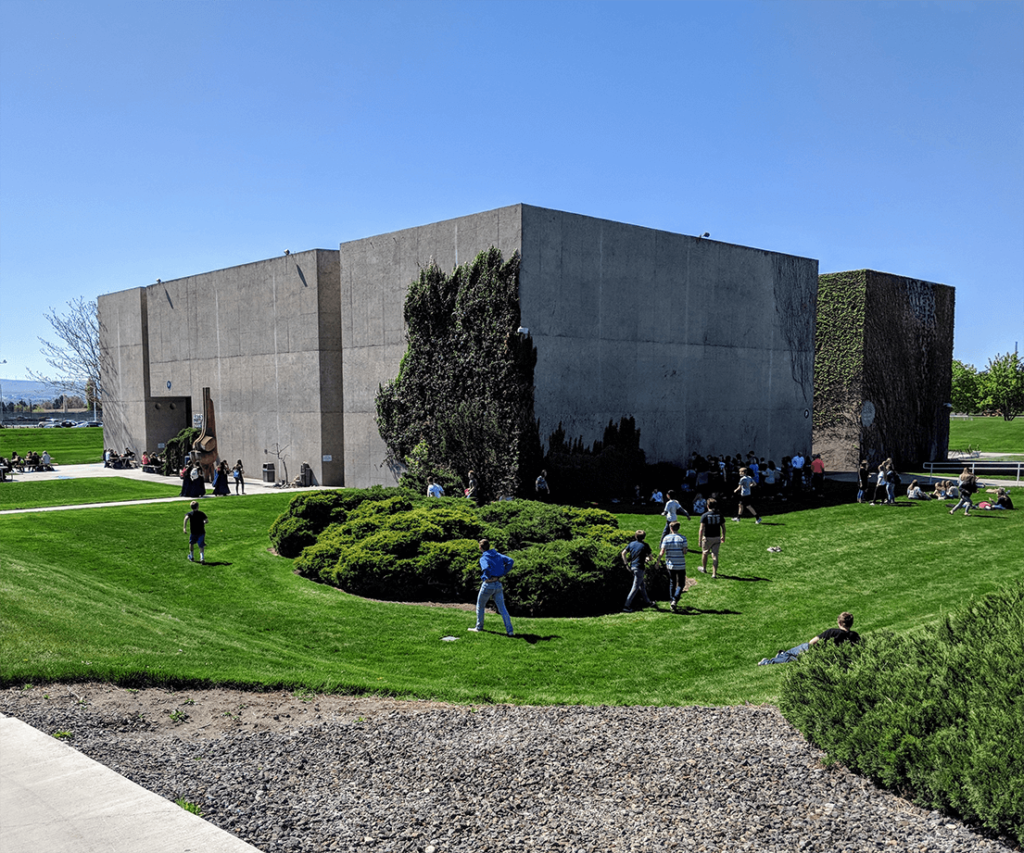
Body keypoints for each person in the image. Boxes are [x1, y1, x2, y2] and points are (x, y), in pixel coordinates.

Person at [758, 611, 861, 665]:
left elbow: (812, 642)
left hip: (818, 652)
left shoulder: (832, 632)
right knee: (791, 656)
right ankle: (781, 655)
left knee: (790, 654)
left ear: (839, 622)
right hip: (832, 656)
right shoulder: (855, 635)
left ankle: (769, 661)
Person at [468, 539, 514, 636]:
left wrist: (488, 577)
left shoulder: (483, 558)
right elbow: (510, 561)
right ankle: (510, 631)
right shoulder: (497, 555)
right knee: (502, 608)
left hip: (488, 584)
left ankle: (479, 627)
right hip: (498, 584)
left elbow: (485, 568)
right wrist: (503, 572)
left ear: (480, 547)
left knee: (480, 606)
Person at [621, 530, 655, 612]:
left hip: (632, 567)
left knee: (641, 585)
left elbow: (623, 553)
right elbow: (651, 558)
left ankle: (647, 602)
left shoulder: (631, 544)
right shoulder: (645, 545)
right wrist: (647, 559)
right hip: (639, 568)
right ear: (644, 537)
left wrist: (626, 564)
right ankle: (626, 606)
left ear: (635, 536)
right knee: (635, 587)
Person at [659, 521, 688, 612]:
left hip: (670, 564)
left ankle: (672, 600)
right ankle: (675, 599)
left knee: (672, 582)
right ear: (678, 528)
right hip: (680, 564)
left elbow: (662, 551)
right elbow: (685, 551)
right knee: (681, 583)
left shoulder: (666, 538)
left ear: (670, 528)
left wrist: (658, 561)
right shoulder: (682, 538)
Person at [698, 497, 726, 579]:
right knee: (715, 555)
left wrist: (699, 540)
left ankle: (704, 568)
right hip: (717, 537)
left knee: (705, 553)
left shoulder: (705, 516)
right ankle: (714, 574)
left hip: (707, 537)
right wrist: (723, 536)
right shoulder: (720, 515)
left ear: (707, 506)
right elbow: (723, 527)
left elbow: (701, 529)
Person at [182, 500, 209, 564]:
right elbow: (206, 520)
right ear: (198, 507)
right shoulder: (201, 513)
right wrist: (204, 522)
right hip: (201, 531)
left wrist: (184, 527)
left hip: (193, 532)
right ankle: (202, 557)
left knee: (191, 543)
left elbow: (185, 518)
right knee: (201, 545)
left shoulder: (190, 514)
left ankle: (192, 556)